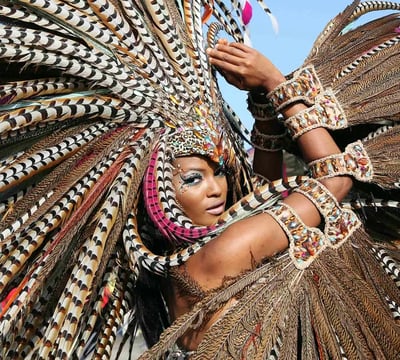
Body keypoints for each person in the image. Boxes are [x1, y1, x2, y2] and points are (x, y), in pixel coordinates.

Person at [0, 0, 399, 359]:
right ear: (155, 195)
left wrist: (262, 114)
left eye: (219, 172)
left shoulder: (171, 270)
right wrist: (278, 85)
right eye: (193, 179)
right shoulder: (219, 255)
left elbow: (260, 197)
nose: (217, 188)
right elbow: (338, 179)